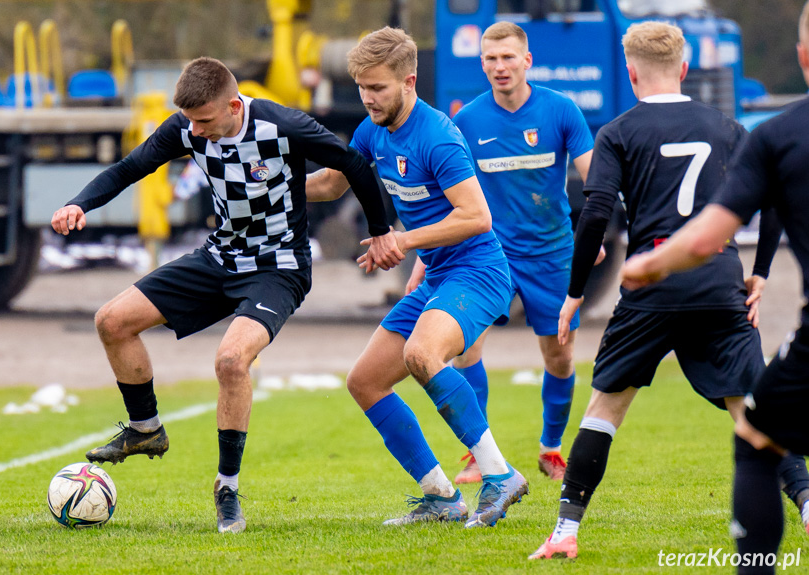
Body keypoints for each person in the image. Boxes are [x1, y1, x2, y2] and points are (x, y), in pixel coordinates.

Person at [50, 57, 402, 534]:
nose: (194, 131)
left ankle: (227, 488)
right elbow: (130, 167)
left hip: (278, 267)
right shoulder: (186, 129)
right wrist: (78, 203)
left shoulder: (285, 125)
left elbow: (354, 165)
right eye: (189, 121)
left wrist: (381, 231)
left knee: (232, 361)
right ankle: (145, 430)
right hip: (219, 258)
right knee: (111, 320)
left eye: (204, 121)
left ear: (234, 106)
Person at [528, 21, 809, 560]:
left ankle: (565, 531)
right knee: (754, 416)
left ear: (631, 73)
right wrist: (762, 272)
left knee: (605, 407)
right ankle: (806, 504)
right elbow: (771, 205)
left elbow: (595, 214)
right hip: (718, 279)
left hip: (651, 285)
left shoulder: (617, 131)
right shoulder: (728, 128)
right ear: (684, 69)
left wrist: (574, 292)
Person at [306, 27, 529, 528]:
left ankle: (500, 475)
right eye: (362, 87)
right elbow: (331, 184)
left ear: (409, 82)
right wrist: (270, 188)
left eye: (379, 88)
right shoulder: (371, 130)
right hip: (439, 273)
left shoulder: (437, 137)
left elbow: (476, 217)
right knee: (364, 381)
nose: (368, 98)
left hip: (480, 271)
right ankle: (441, 498)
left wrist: (403, 243)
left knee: (422, 355)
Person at [622, 4, 809, 572]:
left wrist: (649, 266)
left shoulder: (779, 136)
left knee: (755, 436)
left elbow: (707, 237)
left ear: (803, 56)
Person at [413, 21, 596, 483]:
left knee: (559, 354)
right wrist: (423, 257)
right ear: (482, 64)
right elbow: (446, 196)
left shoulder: (561, 111)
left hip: (552, 253)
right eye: (491, 59)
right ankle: (480, 453)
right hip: (488, 254)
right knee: (467, 345)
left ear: (527, 61)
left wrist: (593, 236)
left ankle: (551, 447)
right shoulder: (468, 121)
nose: (500, 67)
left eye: (508, 57)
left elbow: (596, 183)